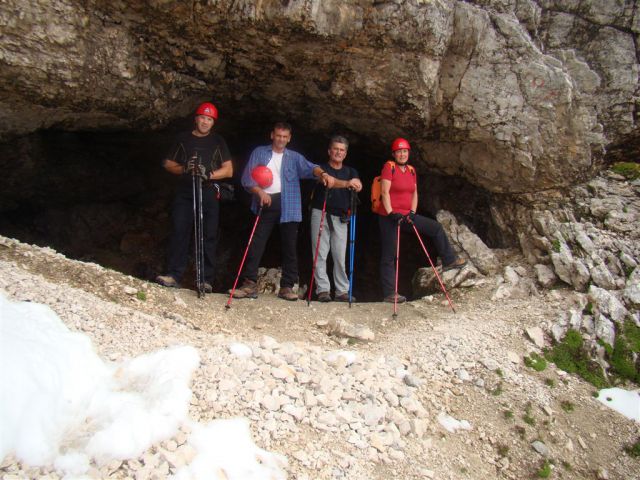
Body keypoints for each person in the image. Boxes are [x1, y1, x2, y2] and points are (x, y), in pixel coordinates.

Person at [231, 122, 336, 301]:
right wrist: (260, 192)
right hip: (266, 201)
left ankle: (287, 287)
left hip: (290, 203)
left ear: (289, 138)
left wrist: (323, 174)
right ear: (272, 135)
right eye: (278, 135)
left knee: (290, 246)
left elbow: (311, 168)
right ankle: (249, 284)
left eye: (284, 136)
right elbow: (247, 178)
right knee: (257, 242)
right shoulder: (259, 152)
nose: (281, 139)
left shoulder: (294, 157)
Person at [156, 102, 233, 292]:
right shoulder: (183, 139)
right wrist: (185, 168)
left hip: (207, 190)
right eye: (203, 118)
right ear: (196, 119)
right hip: (185, 189)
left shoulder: (218, 141)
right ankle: (174, 274)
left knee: (208, 234)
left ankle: (206, 279)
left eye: (209, 119)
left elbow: (229, 170)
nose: (205, 122)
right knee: (179, 230)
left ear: (213, 122)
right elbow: (167, 163)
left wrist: (209, 174)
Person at [377, 137, 466, 303]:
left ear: (408, 153)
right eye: (399, 151)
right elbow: (384, 192)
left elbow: (414, 193)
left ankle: (449, 260)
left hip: (406, 215)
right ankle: (390, 293)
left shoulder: (411, 170)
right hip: (389, 217)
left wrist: (412, 212)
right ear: (394, 154)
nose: (402, 154)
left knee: (435, 228)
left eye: (404, 151)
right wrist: (391, 213)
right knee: (390, 254)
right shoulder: (389, 167)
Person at [309, 136, 362, 302]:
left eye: (342, 150)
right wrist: (348, 183)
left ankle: (341, 291)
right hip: (321, 213)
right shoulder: (321, 169)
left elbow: (358, 184)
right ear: (329, 151)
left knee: (340, 254)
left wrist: (357, 184)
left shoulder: (351, 171)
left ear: (345, 154)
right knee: (320, 253)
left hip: (341, 216)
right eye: (336, 149)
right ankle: (323, 290)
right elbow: (329, 182)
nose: (338, 152)